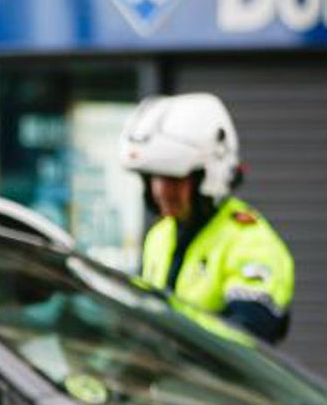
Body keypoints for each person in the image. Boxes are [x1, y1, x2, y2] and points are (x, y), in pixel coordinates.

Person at [119, 92, 294, 344]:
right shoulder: (160, 234)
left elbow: (248, 336)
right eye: (154, 178)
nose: (161, 191)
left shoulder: (250, 242)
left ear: (207, 179)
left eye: (174, 179)